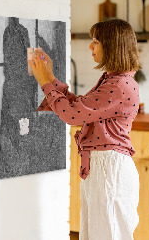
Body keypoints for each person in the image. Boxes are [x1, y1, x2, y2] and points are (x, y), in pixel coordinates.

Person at [28, 18, 142, 240]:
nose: (90, 46)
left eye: (96, 41)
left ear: (112, 46)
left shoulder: (118, 85)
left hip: (109, 169)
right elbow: (80, 107)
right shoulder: (114, 80)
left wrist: (44, 82)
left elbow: (72, 115)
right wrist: (50, 77)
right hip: (104, 167)